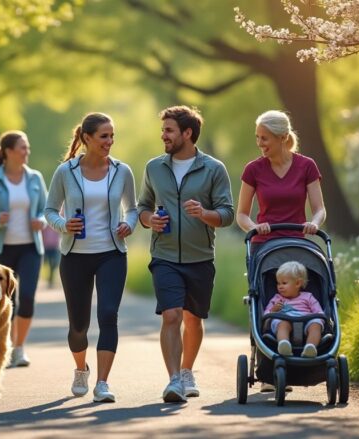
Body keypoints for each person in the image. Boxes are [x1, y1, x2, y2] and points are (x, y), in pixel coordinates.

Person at [137, 105, 235, 403]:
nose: (163, 135)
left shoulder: (213, 168)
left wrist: (205, 213)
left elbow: (228, 214)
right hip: (164, 255)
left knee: (193, 319)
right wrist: (148, 220)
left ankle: (188, 369)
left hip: (200, 257)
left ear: (187, 133)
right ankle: (174, 380)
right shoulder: (154, 167)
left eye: (169, 130)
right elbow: (142, 206)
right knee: (172, 314)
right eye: (163, 130)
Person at [45, 112, 137, 403]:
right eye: (103, 136)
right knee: (79, 326)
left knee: (108, 315)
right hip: (75, 256)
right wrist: (63, 225)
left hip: (111, 253)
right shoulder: (66, 172)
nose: (109, 142)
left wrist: (129, 224)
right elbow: (49, 210)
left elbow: (132, 209)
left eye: (112, 136)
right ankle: (80, 368)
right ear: (86, 138)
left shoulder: (122, 171)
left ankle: (102, 383)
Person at [0, 130, 48, 368]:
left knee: (26, 298)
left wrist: (41, 221)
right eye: (22, 147)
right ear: (8, 152)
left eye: (27, 147)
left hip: (30, 247)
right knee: (4, 300)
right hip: (1, 250)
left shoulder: (35, 178)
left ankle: (19, 348)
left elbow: (48, 211)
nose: (27, 152)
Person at [235, 110, 326, 253]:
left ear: (282, 137)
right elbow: (241, 215)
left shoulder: (307, 166)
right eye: (257, 137)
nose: (259, 143)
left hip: (296, 243)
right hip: (263, 246)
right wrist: (255, 228)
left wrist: (314, 223)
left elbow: (319, 209)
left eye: (264, 138)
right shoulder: (252, 169)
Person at [263, 261, 324, 358]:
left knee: (316, 324)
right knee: (282, 324)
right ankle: (284, 345)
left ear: (298, 283)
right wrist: (273, 311)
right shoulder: (277, 298)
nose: (280, 286)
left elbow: (319, 312)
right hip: (285, 319)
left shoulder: (308, 297)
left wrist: (319, 320)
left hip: (306, 320)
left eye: (284, 283)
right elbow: (266, 314)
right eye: (278, 283)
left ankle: (311, 347)